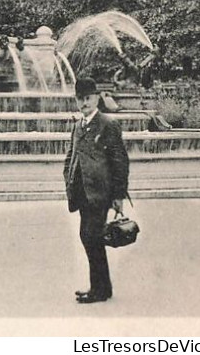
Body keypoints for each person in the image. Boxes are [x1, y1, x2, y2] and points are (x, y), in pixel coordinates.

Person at [63, 76, 130, 304]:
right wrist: (68, 178)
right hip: (82, 192)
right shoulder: (78, 125)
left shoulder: (107, 124)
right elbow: (71, 156)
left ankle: (99, 289)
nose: (84, 103)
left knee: (91, 236)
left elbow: (120, 161)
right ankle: (102, 287)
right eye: (80, 99)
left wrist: (119, 195)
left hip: (100, 193)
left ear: (97, 98)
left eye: (88, 98)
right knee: (90, 237)